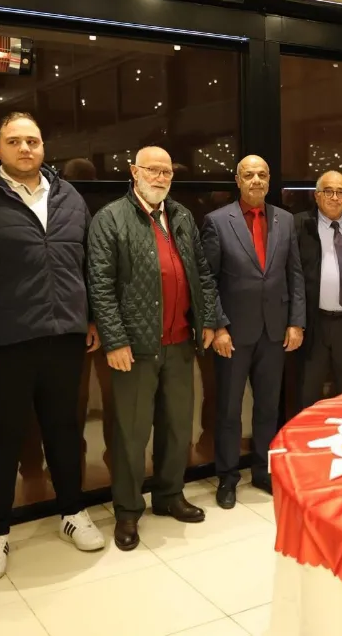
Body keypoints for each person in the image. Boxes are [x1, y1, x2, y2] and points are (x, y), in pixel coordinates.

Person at [0, 112, 105, 583]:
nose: (25, 148)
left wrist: (90, 316)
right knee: (3, 436)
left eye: (32, 140)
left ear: (44, 147)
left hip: (64, 336)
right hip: (3, 340)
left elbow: (86, 263)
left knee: (64, 429)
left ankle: (72, 511)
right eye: (14, 141)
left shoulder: (69, 196)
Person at [87, 147, 220, 550]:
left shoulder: (181, 216)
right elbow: (100, 286)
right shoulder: (110, 218)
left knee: (178, 427)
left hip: (180, 342)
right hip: (135, 348)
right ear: (134, 172)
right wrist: (115, 340)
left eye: (166, 171)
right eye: (152, 170)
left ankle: (169, 495)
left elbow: (201, 273)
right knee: (131, 434)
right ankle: (128, 511)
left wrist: (208, 320)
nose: (160, 177)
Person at [202, 155, 306, 509]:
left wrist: (296, 321)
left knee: (268, 407)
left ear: (269, 179)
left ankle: (263, 471)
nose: (256, 180)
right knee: (229, 410)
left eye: (262, 174)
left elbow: (295, 274)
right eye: (249, 175)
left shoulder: (285, 220)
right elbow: (208, 280)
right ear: (238, 180)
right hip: (233, 333)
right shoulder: (218, 221)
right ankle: (228, 477)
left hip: (275, 331)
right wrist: (218, 326)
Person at [294, 171, 342, 409]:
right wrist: (294, 321)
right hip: (313, 323)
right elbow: (290, 276)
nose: (335, 198)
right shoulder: (299, 225)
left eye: (341, 192)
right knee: (307, 393)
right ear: (316, 195)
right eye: (328, 191)